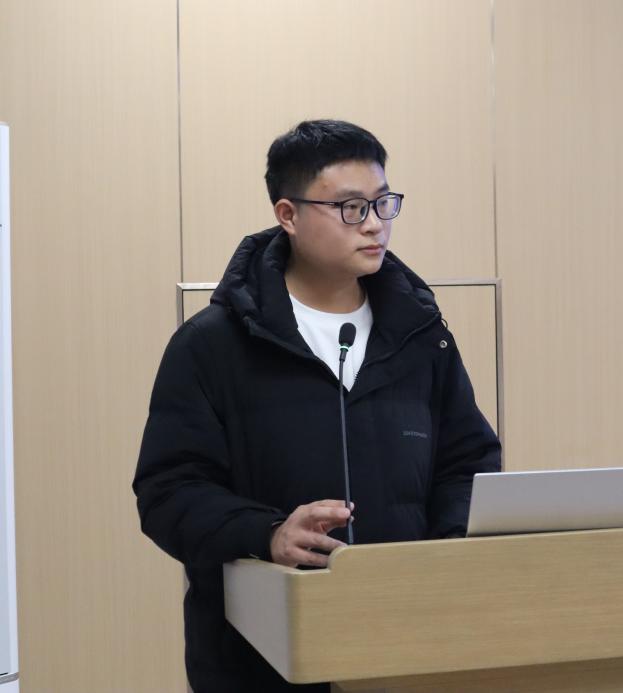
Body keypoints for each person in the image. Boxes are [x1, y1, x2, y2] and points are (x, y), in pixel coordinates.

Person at [133, 119, 502, 692]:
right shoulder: (212, 344)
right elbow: (168, 492)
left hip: (409, 645)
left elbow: (468, 464)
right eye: (351, 208)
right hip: (261, 659)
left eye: (384, 203)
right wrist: (268, 533)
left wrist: (449, 551)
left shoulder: (420, 335)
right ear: (288, 215)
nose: (375, 224)